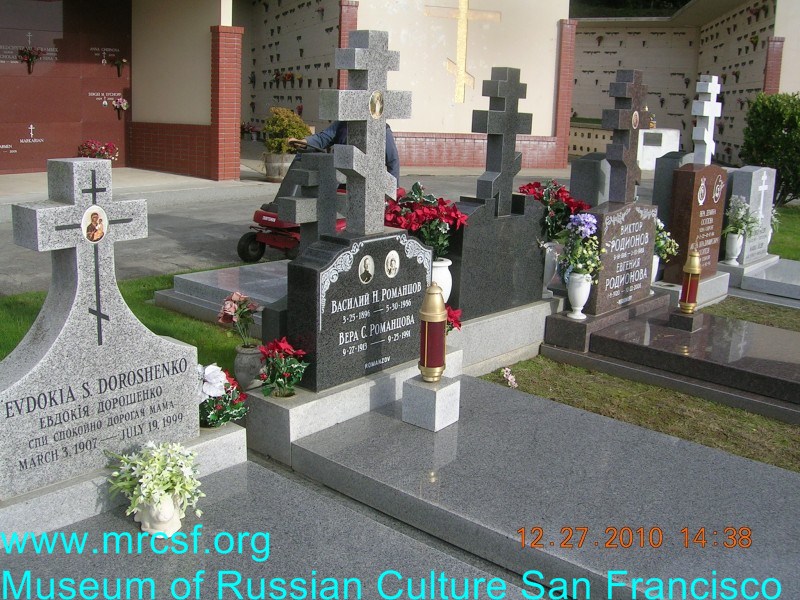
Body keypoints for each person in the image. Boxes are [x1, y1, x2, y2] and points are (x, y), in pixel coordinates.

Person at [288, 121, 400, 183]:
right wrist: (303, 142)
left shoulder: (381, 129)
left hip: (367, 183)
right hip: (339, 179)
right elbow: (323, 138)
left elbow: (393, 160)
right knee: (301, 156)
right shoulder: (342, 124)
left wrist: (394, 192)